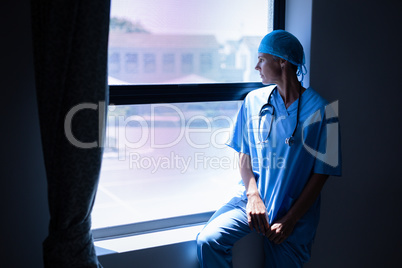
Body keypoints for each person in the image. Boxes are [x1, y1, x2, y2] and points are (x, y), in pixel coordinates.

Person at [196, 30, 342, 267]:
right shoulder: (253, 100)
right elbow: (244, 152)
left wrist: (291, 218)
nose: (257, 66)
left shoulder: (325, 111)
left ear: (282, 61)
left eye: (262, 59)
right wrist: (253, 195)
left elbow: (322, 173)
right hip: (252, 200)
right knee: (209, 240)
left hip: (293, 211)